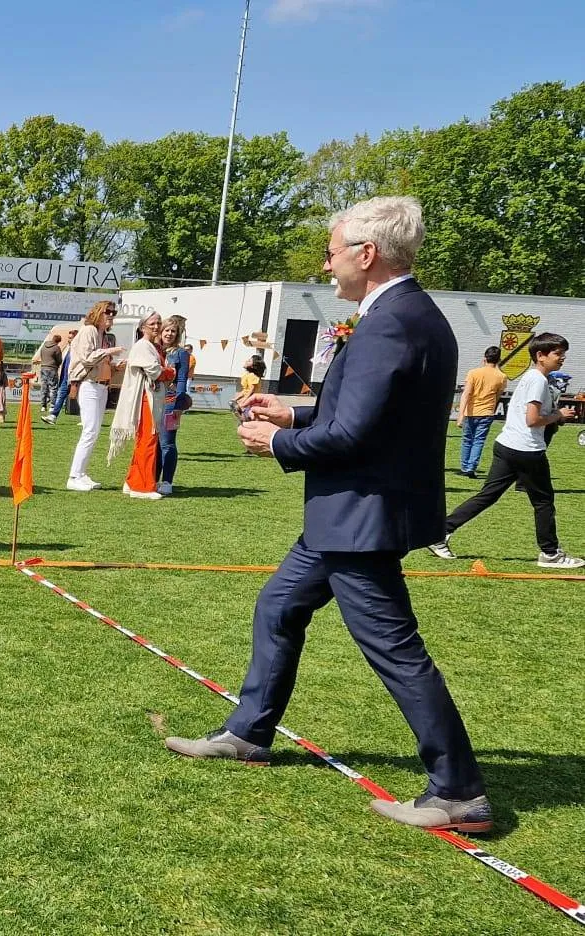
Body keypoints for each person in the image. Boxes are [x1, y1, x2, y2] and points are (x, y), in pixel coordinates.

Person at [167, 196, 491, 833]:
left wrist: (277, 443)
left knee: (395, 649)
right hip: (353, 514)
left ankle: (458, 791)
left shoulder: (391, 322)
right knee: (279, 605)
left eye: (332, 250)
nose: (326, 263)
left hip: (360, 516)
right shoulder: (409, 313)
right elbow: (366, 415)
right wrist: (292, 413)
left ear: (366, 255)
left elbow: (355, 437)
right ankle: (249, 733)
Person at [430, 333, 584, 569]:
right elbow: (532, 419)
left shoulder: (532, 377)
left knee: (488, 495)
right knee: (543, 502)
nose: (562, 358)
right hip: (526, 450)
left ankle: (441, 533)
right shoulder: (538, 381)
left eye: (563, 353)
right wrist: (558, 416)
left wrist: (555, 417)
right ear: (540, 356)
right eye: (557, 353)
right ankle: (550, 554)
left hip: (507, 445)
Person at [64, 301, 128, 491]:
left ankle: (81, 473)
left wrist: (116, 367)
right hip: (88, 384)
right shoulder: (89, 330)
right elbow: (87, 357)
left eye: (113, 312)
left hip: (101, 385)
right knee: (90, 430)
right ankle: (74, 476)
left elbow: (100, 362)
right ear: (97, 313)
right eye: (107, 312)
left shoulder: (104, 336)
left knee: (94, 431)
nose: (110, 315)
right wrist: (109, 351)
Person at [107, 312, 169, 500]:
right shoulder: (143, 346)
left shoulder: (151, 346)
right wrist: (170, 372)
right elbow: (155, 371)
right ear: (143, 327)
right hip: (145, 398)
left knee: (147, 440)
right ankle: (141, 486)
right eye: (152, 323)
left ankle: (133, 480)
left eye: (159, 323)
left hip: (151, 396)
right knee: (147, 440)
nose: (157, 326)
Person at [455, 345, 507, 478]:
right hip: (487, 411)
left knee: (467, 439)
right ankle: (471, 467)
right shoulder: (501, 376)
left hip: (471, 411)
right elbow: (497, 396)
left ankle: (465, 466)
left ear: (485, 358)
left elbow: (466, 394)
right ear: (498, 360)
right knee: (479, 441)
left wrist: (460, 415)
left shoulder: (474, 373)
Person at [158, 315, 192, 495]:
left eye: (173, 331)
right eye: (166, 330)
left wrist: (179, 405)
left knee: (167, 443)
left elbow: (181, 379)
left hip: (171, 403)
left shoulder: (181, 354)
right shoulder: (156, 351)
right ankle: (153, 479)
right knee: (154, 443)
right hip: (154, 401)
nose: (169, 334)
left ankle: (167, 481)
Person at [33, 333, 64, 424]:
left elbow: (41, 356)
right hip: (52, 369)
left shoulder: (44, 346)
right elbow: (59, 360)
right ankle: (52, 405)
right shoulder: (56, 348)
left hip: (43, 368)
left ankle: (43, 405)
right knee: (53, 388)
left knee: (44, 387)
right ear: (58, 341)